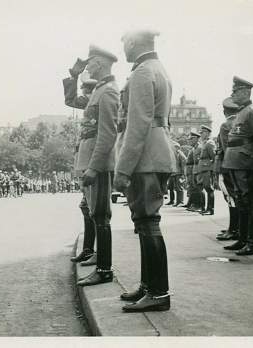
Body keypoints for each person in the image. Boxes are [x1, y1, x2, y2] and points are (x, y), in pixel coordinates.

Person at [113, 29, 176, 312]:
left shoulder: (141, 73)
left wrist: (123, 168)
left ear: (134, 42)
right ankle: (149, 286)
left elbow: (137, 124)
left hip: (145, 157)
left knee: (148, 222)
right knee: (144, 222)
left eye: (125, 41)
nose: (123, 47)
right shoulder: (157, 68)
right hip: (156, 151)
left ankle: (159, 292)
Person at [75, 44, 119, 287]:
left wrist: (94, 166)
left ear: (100, 64)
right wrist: (72, 75)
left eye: (90, 62)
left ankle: (104, 269)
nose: (87, 67)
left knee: (101, 216)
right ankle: (101, 266)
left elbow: (107, 134)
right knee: (96, 213)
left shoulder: (108, 92)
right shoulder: (99, 90)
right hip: (92, 159)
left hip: (98, 163)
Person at [63, 58, 99, 263]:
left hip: (93, 160)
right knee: (86, 207)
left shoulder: (99, 101)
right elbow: (69, 100)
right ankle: (88, 250)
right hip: (84, 158)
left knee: (94, 209)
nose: (83, 94)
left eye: (86, 90)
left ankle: (94, 253)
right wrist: (73, 76)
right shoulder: (90, 102)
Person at [222, 76, 253, 255]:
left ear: (245, 92)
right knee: (241, 201)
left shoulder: (251, 112)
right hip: (236, 163)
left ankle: (252, 243)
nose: (232, 94)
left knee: (249, 202)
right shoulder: (241, 112)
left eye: (235, 91)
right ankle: (243, 239)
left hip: (245, 164)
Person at [215, 97, 241, 241]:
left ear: (225, 111)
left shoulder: (226, 125)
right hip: (238, 165)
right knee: (235, 197)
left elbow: (225, 148)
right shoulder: (239, 122)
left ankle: (233, 229)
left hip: (227, 166)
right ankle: (235, 227)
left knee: (231, 197)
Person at [196, 125, 216, 215]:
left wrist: (211, 168)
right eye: (201, 133)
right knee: (202, 188)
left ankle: (210, 209)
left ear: (208, 133)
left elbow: (214, 157)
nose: (201, 134)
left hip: (207, 168)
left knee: (209, 189)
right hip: (202, 168)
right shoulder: (204, 143)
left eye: (203, 133)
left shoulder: (210, 143)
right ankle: (204, 208)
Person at [167, 142, 186, 207]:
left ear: (178, 148)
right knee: (171, 187)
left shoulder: (180, 154)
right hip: (173, 173)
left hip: (178, 173)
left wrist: (183, 174)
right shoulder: (173, 154)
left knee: (179, 188)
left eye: (174, 147)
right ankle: (173, 201)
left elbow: (183, 164)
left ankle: (180, 201)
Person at [184, 132, 200, 209]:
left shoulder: (198, 148)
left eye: (191, 139)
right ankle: (191, 203)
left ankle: (197, 205)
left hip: (194, 170)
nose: (189, 141)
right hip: (191, 170)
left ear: (196, 139)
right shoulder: (193, 148)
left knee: (196, 188)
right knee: (191, 187)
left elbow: (196, 162)